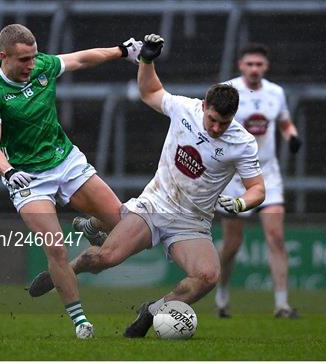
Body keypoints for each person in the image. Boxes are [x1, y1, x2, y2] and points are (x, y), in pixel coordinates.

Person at [27, 34, 266, 338]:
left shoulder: (242, 143)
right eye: (213, 119)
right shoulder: (185, 109)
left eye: (224, 123)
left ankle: (153, 311)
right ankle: (64, 271)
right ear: (204, 106)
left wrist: (242, 203)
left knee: (208, 276)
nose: (217, 128)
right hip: (154, 206)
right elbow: (150, 91)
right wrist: (147, 60)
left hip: (191, 223)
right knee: (104, 258)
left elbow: (258, 188)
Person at [0, 24, 143, 339]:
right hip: (27, 177)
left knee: (123, 222)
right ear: (4, 56)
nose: (31, 65)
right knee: (55, 246)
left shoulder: (41, 65)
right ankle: (81, 322)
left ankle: (92, 227)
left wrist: (122, 51)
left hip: (65, 162)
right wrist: (9, 172)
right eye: (24, 60)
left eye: (34, 57)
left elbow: (80, 60)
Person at [215, 44, 301, 319]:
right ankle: (222, 292)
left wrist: (293, 137)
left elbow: (284, 123)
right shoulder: (228, 91)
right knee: (233, 243)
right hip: (236, 177)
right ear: (241, 65)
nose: (254, 69)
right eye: (250, 64)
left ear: (266, 67)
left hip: (268, 174)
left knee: (276, 238)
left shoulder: (276, 93)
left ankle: (282, 304)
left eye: (259, 65)